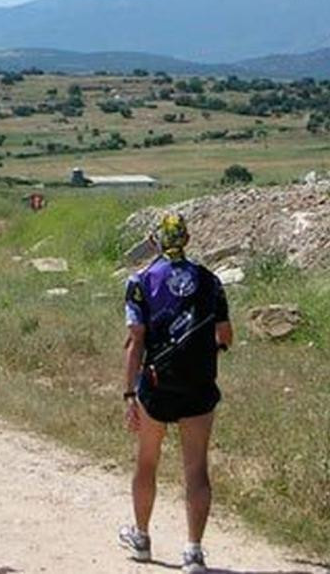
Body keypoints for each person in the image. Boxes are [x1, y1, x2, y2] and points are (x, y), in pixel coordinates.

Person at [118, 213, 233, 574]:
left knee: (147, 463)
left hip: (156, 386)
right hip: (199, 385)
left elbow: (135, 341)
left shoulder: (140, 282)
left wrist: (128, 394)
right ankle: (194, 552)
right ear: (187, 238)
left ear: (155, 241)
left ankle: (141, 538)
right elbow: (226, 334)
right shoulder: (210, 281)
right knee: (196, 469)